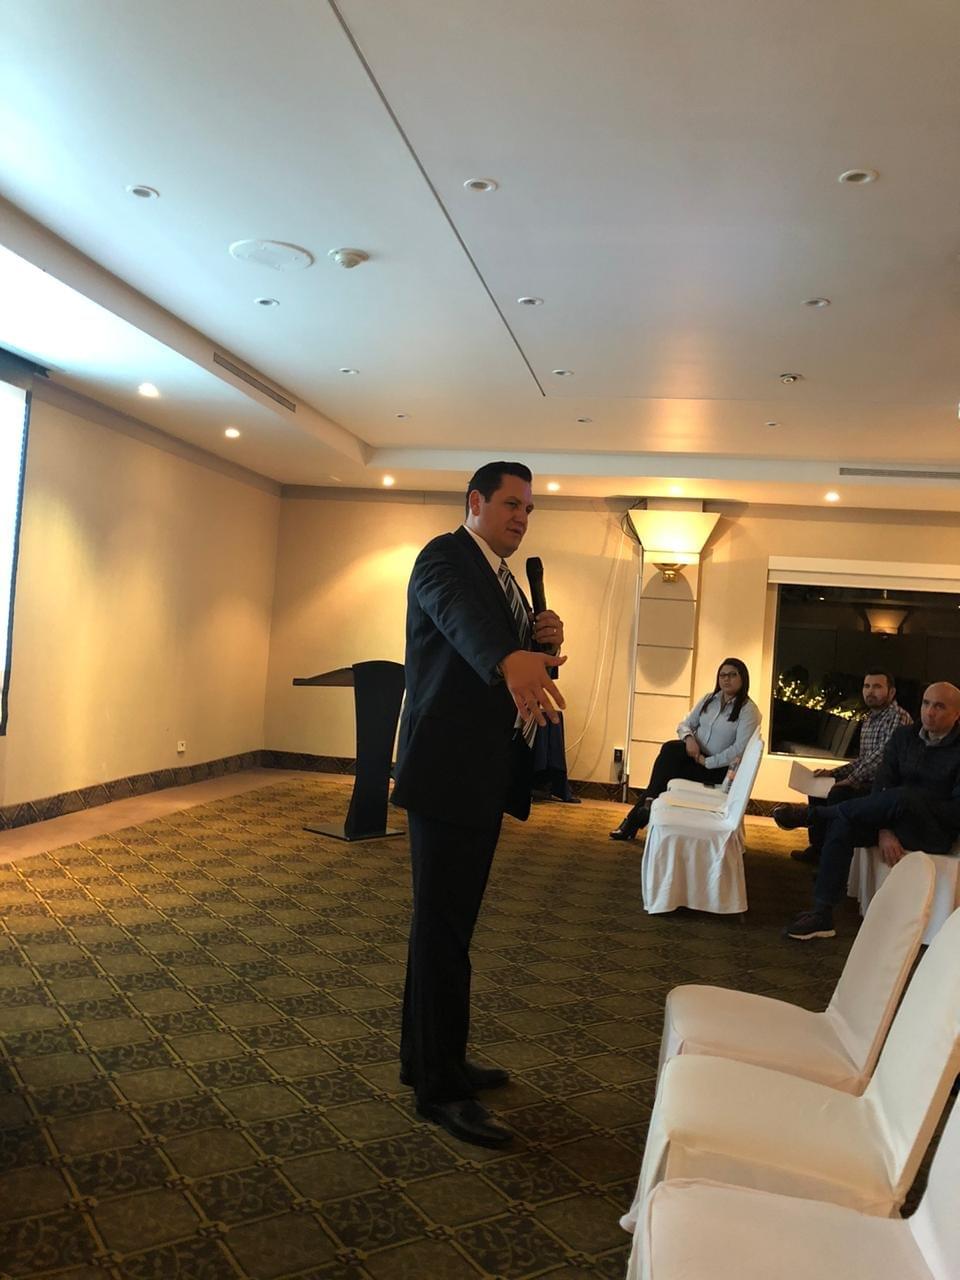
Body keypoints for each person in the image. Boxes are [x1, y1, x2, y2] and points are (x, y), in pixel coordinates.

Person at [391, 461, 566, 1148]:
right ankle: (440, 1091)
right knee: (442, 932)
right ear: (475, 502)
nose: (522, 518)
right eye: (511, 504)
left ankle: (428, 1058)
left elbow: (503, 666)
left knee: (447, 930)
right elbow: (458, 620)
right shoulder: (445, 557)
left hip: (479, 775)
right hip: (446, 773)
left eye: (528, 509)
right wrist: (506, 654)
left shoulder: (505, 578)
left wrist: (540, 646)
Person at [777, 682, 960, 941]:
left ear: (957, 714)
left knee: (904, 795)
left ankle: (814, 815)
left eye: (939, 707)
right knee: (844, 822)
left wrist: (912, 802)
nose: (929, 712)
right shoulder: (904, 737)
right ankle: (822, 914)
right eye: (926, 703)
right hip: (893, 820)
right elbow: (882, 785)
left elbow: (955, 812)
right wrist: (885, 829)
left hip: (933, 831)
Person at [610, 657, 761, 840]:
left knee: (666, 769)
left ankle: (636, 817)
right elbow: (685, 724)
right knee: (670, 749)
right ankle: (642, 810)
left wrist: (707, 761)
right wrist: (689, 739)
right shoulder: (709, 699)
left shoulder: (748, 711)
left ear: (743, 678)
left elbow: (739, 750)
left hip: (717, 769)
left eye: (732, 675)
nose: (726, 679)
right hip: (696, 758)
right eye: (722, 675)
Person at [788, 670, 912, 866]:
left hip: (884, 787)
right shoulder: (870, 718)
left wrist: (850, 781)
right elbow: (863, 760)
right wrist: (833, 773)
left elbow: (882, 759)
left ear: (891, 692)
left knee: (837, 793)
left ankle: (831, 857)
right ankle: (818, 848)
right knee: (818, 785)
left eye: (877, 687)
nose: (870, 691)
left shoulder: (898, 717)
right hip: (865, 779)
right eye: (867, 686)